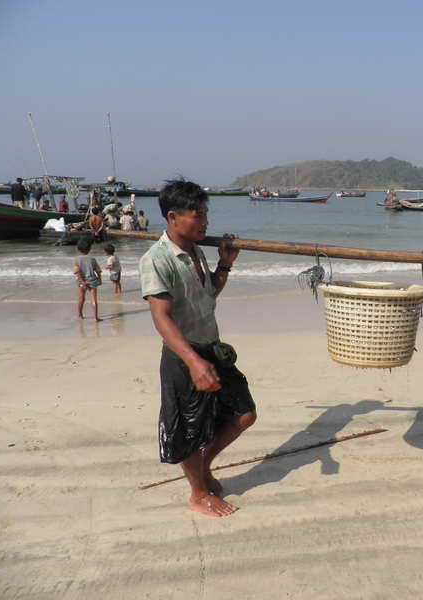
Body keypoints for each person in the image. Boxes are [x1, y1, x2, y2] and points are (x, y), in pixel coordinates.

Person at [139, 179, 256, 518]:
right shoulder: (157, 259)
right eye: (198, 215)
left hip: (211, 348)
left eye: (206, 215)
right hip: (182, 354)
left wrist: (225, 265)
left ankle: (201, 467)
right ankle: (198, 492)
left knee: (243, 413)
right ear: (173, 217)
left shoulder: (196, 251)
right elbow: (161, 318)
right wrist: (192, 361)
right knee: (188, 428)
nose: (206, 223)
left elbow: (207, 297)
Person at [72, 237, 103, 322]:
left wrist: (82, 281)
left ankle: (80, 315)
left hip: (82, 282)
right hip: (92, 280)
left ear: (78, 249)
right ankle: (96, 317)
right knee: (94, 299)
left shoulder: (76, 259)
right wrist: (100, 279)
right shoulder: (92, 259)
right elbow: (98, 271)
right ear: (89, 249)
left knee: (81, 298)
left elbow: (76, 272)